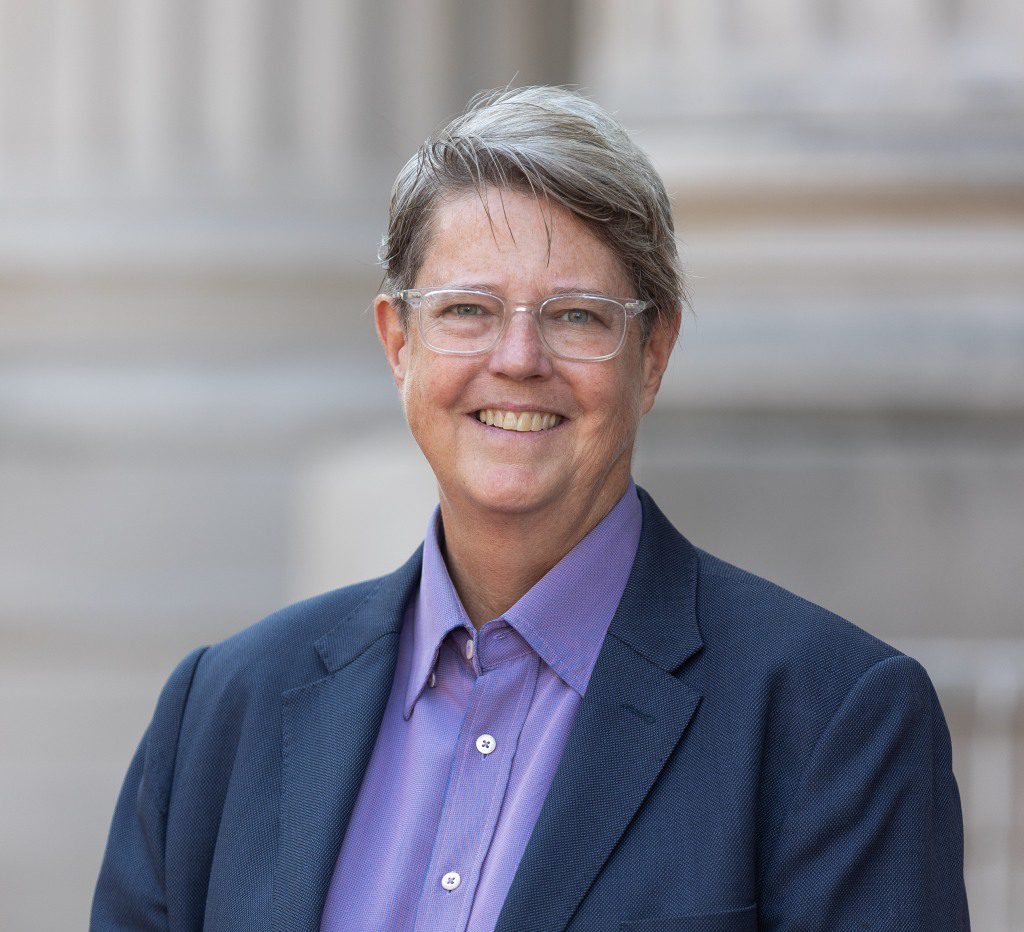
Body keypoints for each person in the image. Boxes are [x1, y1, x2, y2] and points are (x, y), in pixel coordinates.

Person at [91, 86, 969, 931]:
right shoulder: (220, 712)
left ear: (652, 354)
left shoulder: (832, 720)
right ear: (399, 344)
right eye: (467, 310)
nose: (517, 359)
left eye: (576, 317)